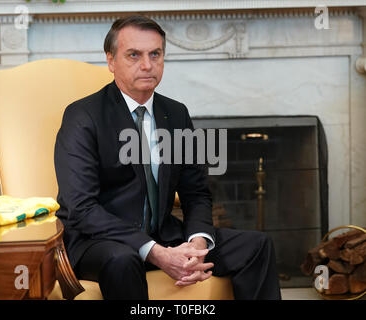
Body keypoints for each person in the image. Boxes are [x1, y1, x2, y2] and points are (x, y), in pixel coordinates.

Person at [54, 15, 281, 300]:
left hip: (163, 234)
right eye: (134, 55)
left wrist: (197, 242)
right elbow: (82, 207)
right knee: (123, 260)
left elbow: (195, 192)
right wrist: (155, 252)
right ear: (111, 61)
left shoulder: (175, 114)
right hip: (99, 242)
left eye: (155, 54)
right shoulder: (82, 116)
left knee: (256, 246)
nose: (147, 65)